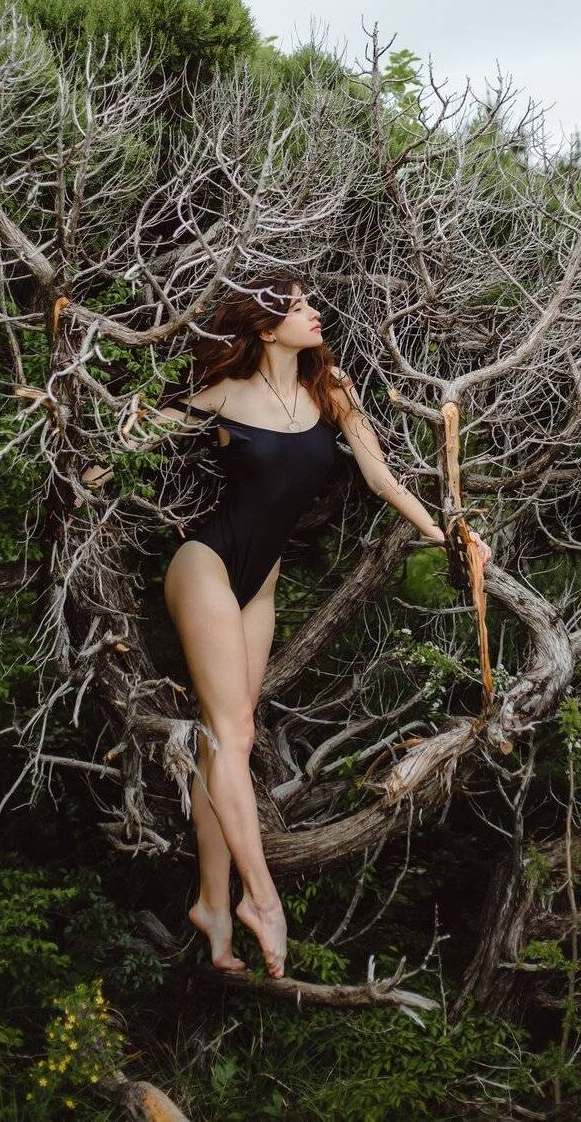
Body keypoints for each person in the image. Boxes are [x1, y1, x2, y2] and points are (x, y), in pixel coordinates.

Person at [154, 275, 491, 980]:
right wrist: (83, 469)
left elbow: (381, 478)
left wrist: (449, 537)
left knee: (226, 740)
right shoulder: (219, 394)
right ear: (265, 325)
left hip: (260, 583)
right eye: (298, 306)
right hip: (204, 563)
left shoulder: (330, 388)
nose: (313, 313)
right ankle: (261, 899)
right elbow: (128, 442)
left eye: (311, 303)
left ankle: (212, 906)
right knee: (232, 735)